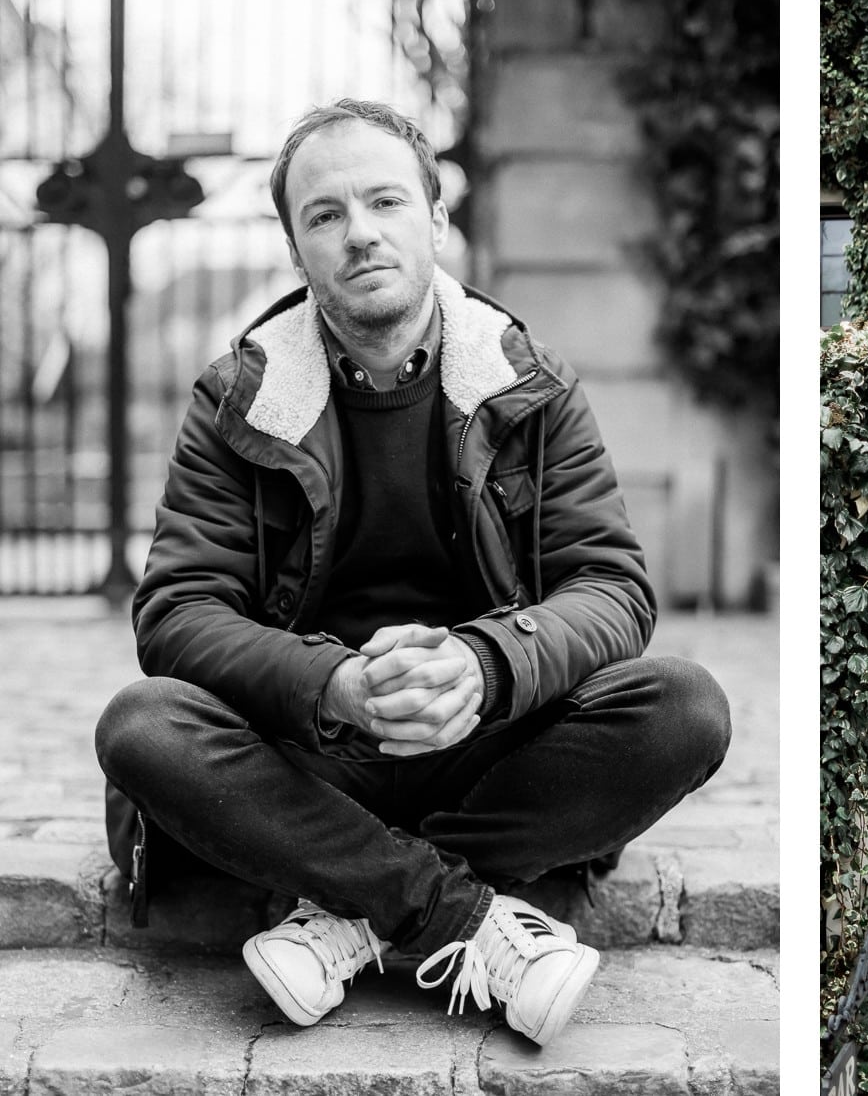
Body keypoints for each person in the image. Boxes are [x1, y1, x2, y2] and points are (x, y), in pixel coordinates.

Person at [93, 98, 731, 1046]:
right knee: (142, 727)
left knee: (684, 708)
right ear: (295, 248)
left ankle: (351, 903)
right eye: (324, 215)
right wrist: (335, 684)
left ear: (434, 217)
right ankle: (460, 914)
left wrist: (486, 665)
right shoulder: (240, 399)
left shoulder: (529, 384)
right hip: (306, 757)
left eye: (385, 202)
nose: (359, 235)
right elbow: (178, 614)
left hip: (489, 748)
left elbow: (611, 588)